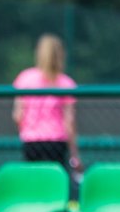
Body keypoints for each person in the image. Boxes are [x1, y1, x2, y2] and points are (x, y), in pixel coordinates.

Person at [12, 34, 80, 173]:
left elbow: (18, 116)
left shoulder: (25, 78)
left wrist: (27, 131)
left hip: (31, 141)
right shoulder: (66, 83)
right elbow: (69, 122)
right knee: (56, 184)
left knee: (34, 184)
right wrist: (75, 154)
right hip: (57, 142)